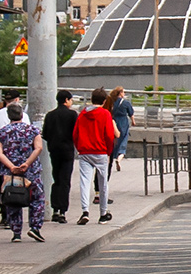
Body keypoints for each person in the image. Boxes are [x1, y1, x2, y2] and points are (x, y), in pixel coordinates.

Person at [0, 103, 45, 243]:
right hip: (31, 170)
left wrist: (11, 166)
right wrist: (27, 163)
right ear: (22, 114)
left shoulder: (2, 132)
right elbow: (38, 148)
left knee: (13, 199)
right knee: (37, 198)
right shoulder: (33, 130)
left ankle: (16, 232)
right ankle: (35, 227)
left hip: (11, 173)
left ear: (8, 116)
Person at [73, 87, 116, 225]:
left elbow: (75, 133)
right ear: (104, 101)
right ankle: (103, 213)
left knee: (84, 181)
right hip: (101, 152)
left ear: (91, 99)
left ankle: (85, 211)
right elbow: (109, 135)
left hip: (85, 151)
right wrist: (109, 151)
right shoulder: (105, 114)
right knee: (103, 183)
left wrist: (79, 147)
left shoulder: (82, 114)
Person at [41, 90, 78, 225]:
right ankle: (62, 210)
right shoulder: (72, 115)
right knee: (65, 180)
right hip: (67, 151)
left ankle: (55, 209)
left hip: (54, 150)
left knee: (56, 178)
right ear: (67, 100)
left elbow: (45, 134)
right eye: (71, 100)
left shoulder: (50, 115)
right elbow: (76, 132)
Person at [0, 93, 24, 228]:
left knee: (2, 184)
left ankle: (4, 214)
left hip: (1, 156)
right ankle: (16, 215)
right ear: (16, 100)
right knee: (19, 185)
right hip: (20, 158)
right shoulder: (23, 115)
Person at [108, 86, 134, 175]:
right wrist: (133, 121)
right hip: (123, 122)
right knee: (124, 140)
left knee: (115, 140)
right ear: (120, 93)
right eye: (123, 92)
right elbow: (131, 113)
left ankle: (112, 156)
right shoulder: (126, 103)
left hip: (114, 122)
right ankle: (119, 158)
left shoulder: (112, 102)